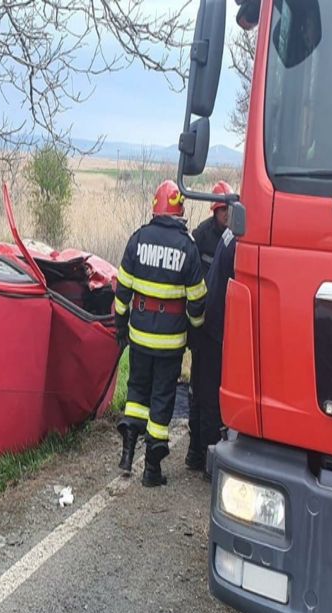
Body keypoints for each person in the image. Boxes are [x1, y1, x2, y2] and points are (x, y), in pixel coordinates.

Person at [115, 180, 207, 487]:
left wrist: (120, 326)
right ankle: (151, 470)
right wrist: (196, 332)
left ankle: (127, 455)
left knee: (136, 393)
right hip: (170, 343)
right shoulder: (187, 247)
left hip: (139, 336)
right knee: (161, 399)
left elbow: (122, 289)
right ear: (179, 210)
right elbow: (197, 300)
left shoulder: (138, 239)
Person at [186, 181, 234, 471]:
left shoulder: (232, 238)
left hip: (222, 326)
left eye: (229, 210)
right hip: (203, 326)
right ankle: (198, 454)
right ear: (214, 211)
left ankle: (205, 452)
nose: (226, 215)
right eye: (221, 210)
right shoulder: (200, 236)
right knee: (201, 392)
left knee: (212, 391)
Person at [195, 224, 238, 480]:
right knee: (211, 397)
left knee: (202, 392)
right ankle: (208, 463)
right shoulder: (236, 242)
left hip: (209, 322)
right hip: (218, 328)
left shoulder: (230, 233)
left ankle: (197, 454)